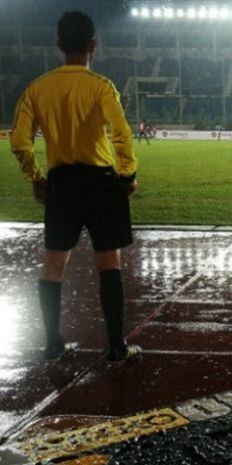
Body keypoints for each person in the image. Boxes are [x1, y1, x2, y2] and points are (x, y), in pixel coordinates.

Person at [9, 11, 142, 362]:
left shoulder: (37, 89)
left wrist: (36, 178)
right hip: (100, 183)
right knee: (109, 263)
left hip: (61, 183)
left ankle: (52, 343)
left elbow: (20, 142)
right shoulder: (100, 86)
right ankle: (116, 347)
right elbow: (122, 134)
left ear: (59, 45)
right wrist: (127, 175)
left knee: (53, 265)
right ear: (92, 45)